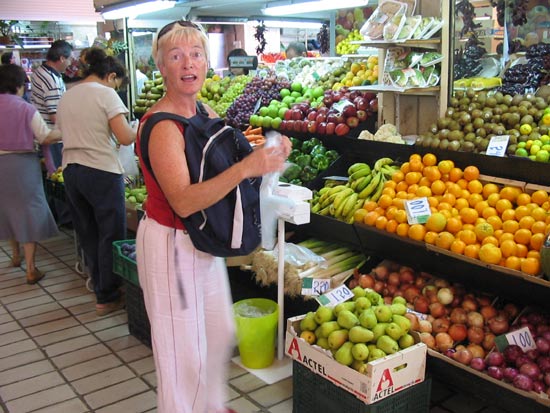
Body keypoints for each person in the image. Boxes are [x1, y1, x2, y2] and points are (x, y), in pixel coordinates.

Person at [135, 20, 290, 413]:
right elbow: (185, 201)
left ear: (207, 62)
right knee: (181, 351)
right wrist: (245, 169)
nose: (188, 63)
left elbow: (222, 163)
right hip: (173, 245)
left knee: (217, 332)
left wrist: (269, 156)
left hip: (201, 241)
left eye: (196, 53)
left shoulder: (203, 109)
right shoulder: (162, 126)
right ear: (161, 66)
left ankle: (209, 406)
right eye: (176, 55)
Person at [56, 47, 137, 317]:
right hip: (101, 171)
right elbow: (125, 137)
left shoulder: (68, 95)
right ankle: (109, 294)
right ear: (110, 75)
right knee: (111, 233)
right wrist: (142, 127)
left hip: (72, 171)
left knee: (89, 232)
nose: (117, 87)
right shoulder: (106, 93)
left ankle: (101, 290)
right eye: (117, 82)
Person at [0, 64, 61, 284]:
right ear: (19, 85)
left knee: (6, 210)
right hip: (22, 166)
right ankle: (31, 268)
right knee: (27, 212)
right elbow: (44, 136)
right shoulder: (26, 108)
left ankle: (15, 257)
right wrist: (63, 131)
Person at [31, 40, 73, 174]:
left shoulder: (41, 71)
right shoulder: (50, 80)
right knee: (57, 174)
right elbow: (55, 116)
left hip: (44, 134)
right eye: (69, 59)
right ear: (61, 58)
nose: (70, 63)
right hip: (52, 137)